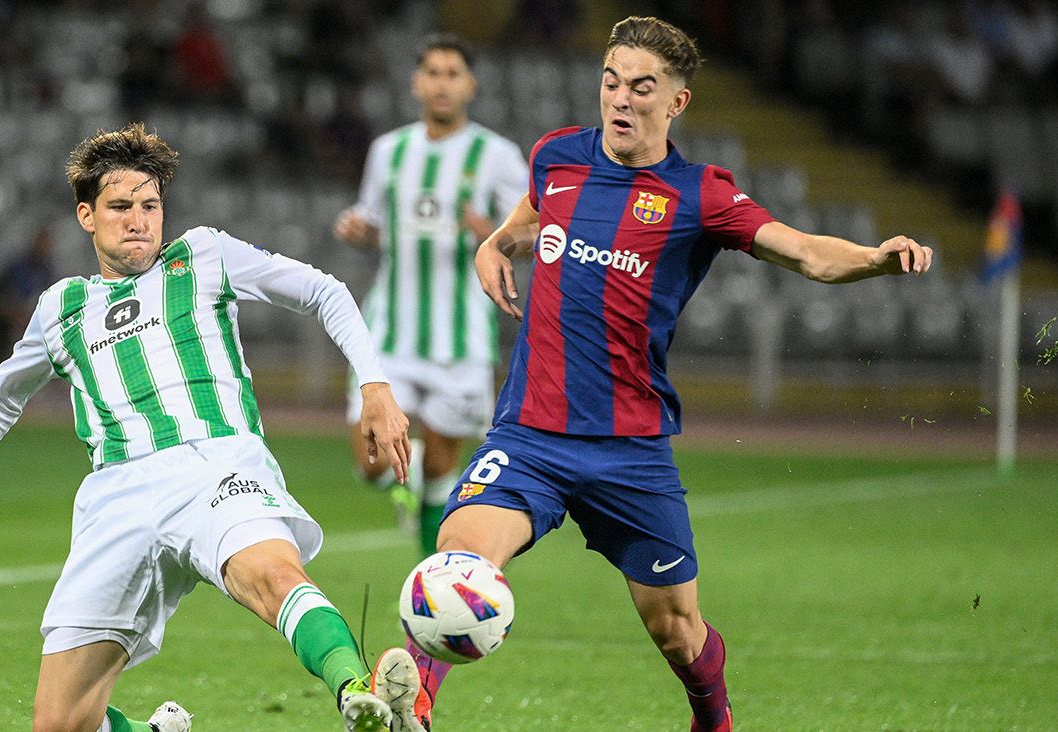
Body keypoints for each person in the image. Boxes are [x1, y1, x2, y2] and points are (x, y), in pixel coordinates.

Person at [389, 16, 935, 732]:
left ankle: (714, 716)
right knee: (457, 557)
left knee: (678, 632)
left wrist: (874, 257)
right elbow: (528, 221)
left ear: (676, 103)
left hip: (630, 450)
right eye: (611, 82)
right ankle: (411, 709)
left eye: (641, 88)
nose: (620, 99)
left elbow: (804, 252)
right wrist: (496, 245)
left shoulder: (701, 195)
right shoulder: (558, 155)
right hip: (530, 435)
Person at [0, 123, 427, 732]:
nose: (138, 219)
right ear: (87, 215)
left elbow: (325, 291)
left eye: (150, 205)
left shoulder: (203, 256)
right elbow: (1, 397)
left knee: (270, 573)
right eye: (120, 206)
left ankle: (357, 693)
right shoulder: (61, 308)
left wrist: (374, 385)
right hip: (118, 495)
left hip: (218, 465)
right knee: (60, 725)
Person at [333, 34, 527, 558]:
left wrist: (490, 231)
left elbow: (533, 238)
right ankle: (409, 486)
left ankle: (433, 591)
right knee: (373, 465)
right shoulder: (388, 150)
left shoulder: (498, 156)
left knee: (442, 469)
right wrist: (361, 230)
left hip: (460, 339)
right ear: (417, 82)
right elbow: (377, 223)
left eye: (452, 73)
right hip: (390, 334)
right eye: (433, 73)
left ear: (470, 85)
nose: (442, 84)